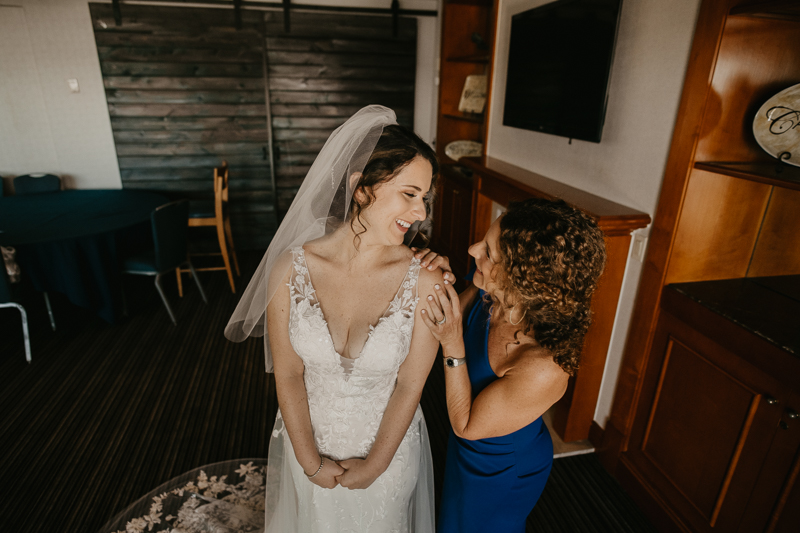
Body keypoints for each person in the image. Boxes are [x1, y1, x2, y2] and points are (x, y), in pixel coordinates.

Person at [225, 105, 451, 532]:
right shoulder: (289, 269)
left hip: (386, 452)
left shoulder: (426, 280)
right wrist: (309, 462)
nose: (420, 212)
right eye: (408, 194)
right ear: (361, 188)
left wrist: (375, 465)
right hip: (308, 441)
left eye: (424, 197)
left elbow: (409, 385)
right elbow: (289, 372)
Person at [419, 198, 607, 533]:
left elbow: (466, 425)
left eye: (488, 252)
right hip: (464, 452)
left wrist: (452, 345)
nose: (473, 248)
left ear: (524, 278)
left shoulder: (543, 366)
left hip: (500, 468)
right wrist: (440, 279)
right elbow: (452, 318)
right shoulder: (490, 290)